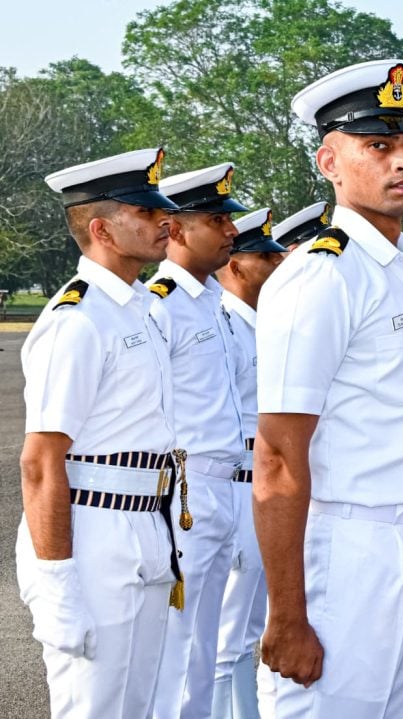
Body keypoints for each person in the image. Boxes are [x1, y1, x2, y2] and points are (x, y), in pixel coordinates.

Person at [254, 59, 403, 719]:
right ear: (330, 161)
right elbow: (277, 455)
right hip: (345, 548)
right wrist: (286, 615)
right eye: (380, 146)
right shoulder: (322, 277)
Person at [16, 147, 182, 718]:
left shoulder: (137, 308)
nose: (165, 221)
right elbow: (40, 463)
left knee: (138, 707)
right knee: (94, 708)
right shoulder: (78, 320)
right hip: (93, 532)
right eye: (144, 210)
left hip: (145, 521)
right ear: (101, 229)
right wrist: (58, 588)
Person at [211, 202, 326, 719]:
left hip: (252, 486)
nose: (281, 265)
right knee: (226, 638)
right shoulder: (220, 322)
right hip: (233, 486)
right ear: (236, 264)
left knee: (251, 629)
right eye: (268, 258)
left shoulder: (255, 323)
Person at [149, 163, 249, 719]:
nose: (231, 231)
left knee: (206, 647)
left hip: (221, 487)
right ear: (178, 230)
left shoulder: (212, 300)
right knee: (177, 650)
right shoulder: (162, 302)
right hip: (183, 493)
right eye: (217, 219)